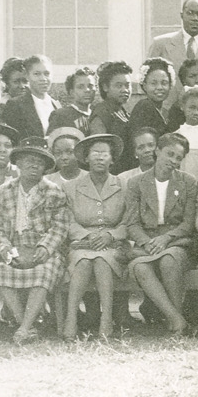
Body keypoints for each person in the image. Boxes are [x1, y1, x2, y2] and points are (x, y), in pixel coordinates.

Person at [0, 137, 70, 344]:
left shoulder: (54, 191)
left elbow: (60, 227)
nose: (34, 166)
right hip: (14, 247)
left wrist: (45, 247)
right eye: (29, 160)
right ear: (18, 163)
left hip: (44, 249)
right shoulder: (3, 191)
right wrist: (4, 248)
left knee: (43, 272)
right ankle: (26, 324)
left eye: (39, 162)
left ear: (45, 168)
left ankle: (23, 329)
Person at [123, 132, 198, 337]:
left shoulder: (188, 182)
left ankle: (175, 322)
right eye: (169, 154)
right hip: (147, 243)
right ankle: (177, 320)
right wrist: (147, 242)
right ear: (157, 151)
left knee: (169, 260)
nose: (173, 161)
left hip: (178, 242)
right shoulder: (135, 183)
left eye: (178, 157)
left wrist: (166, 239)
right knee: (140, 267)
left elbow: (188, 223)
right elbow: (132, 223)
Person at [60, 133, 129, 340]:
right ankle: (71, 319)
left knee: (102, 260)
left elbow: (129, 220)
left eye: (104, 153)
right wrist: (86, 236)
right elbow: (68, 220)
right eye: (95, 153)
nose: (100, 157)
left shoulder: (124, 185)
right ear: (86, 158)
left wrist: (111, 235)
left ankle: (106, 319)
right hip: (82, 243)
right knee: (82, 261)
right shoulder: (71, 187)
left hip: (114, 244)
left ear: (112, 159)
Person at [83, 61, 138, 172]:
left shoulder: (123, 112)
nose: (125, 90)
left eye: (127, 85)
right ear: (105, 87)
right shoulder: (102, 112)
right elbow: (99, 152)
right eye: (119, 85)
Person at [147, 0, 198, 71]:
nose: (195, 18)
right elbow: (146, 76)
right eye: (190, 13)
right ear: (182, 15)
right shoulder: (160, 44)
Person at [132, 58, 177, 141]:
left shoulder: (165, 111)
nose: (159, 87)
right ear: (145, 86)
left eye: (164, 83)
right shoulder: (144, 107)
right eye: (153, 83)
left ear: (170, 85)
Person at [48, 67, 97, 135]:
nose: (87, 90)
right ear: (71, 92)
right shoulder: (61, 116)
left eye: (90, 86)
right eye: (80, 87)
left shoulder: (97, 114)